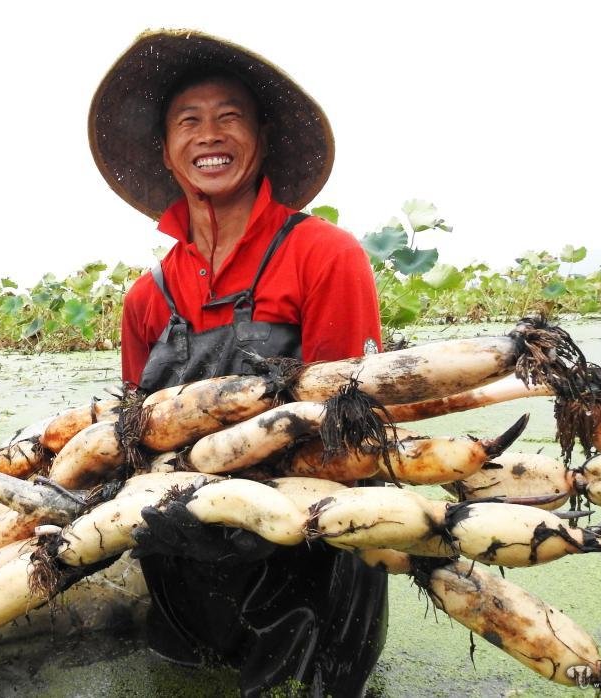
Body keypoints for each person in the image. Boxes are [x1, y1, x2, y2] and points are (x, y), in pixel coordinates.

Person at [88, 30, 387, 697]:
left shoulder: (325, 256)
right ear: (166, 151)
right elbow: (138, 436)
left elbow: (357, 436)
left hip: (310, 558)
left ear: (262, 136)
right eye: (187, 121)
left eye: (229, 117)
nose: (208, 134)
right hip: (180, 561)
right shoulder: (146, 297)